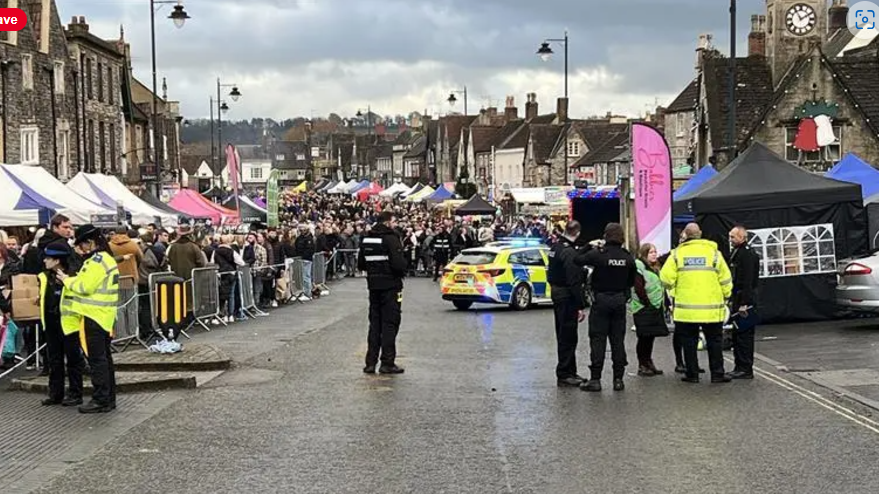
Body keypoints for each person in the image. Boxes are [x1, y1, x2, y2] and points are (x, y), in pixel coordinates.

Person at [660, 223, 733, 384]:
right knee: (714, 341)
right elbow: (726, 279)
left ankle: (692, 374)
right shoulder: (714, 254)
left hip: (686, 310)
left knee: (689, 342)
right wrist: (726, 297)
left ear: (685, 235)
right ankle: (717, 374)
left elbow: (665, 278)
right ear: (700, 234)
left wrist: (673, 291)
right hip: (712, 309)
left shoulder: (677, 254)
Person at [59, 225, 120, 413]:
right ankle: (108, 398)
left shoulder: (96, 261)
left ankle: (100, 399)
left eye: (83, 244)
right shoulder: (107, 259)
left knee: (96, 360)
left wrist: (66, 280)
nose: (82, 249)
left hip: (92, 315)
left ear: (90, 242)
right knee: (105, 359)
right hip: (105, 316)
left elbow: (84, 286)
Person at [579, 223, 636, 392]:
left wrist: (588, 246)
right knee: (618, 341)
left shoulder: (599, 255)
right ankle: (618, 380)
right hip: (619, 301)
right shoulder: (627, 257)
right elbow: (631, 281)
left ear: (605, 236)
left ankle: (595, 379)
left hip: (601, 300)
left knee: (598, 340)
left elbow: (577, 259)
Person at [358, 211, 407, 375]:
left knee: (374, 324)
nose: (396, 225)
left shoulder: (366, 239)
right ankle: (387, 362)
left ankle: (370, 363)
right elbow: (399, 265)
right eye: (394, 221)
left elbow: (361, 264)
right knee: (390, 324)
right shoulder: (391, 239)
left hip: (373, 286)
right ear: (387, 223)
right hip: (391, 286)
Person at [38, 241, 84, 407]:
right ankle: (55, 393)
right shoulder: (44, 277)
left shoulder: (73, 277)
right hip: (51, 323)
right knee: (54, 360)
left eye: (48, 258)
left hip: (69, 323)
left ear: (57, 260)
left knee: (73, 360)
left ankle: (75, 393)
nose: (44, 261)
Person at [546, 220, 589, 387]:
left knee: (563, 334)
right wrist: (580, 305)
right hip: (566, 297)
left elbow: (571, 255)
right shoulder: (568, 252)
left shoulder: (556, 247)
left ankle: (570, 371)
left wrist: (586, 248)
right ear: (577, 233)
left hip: (557, 293)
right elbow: (573, 280)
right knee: (568, 336)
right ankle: (565, 373)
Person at [631, 243, 669, 377]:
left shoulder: (655, 268)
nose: (654, 254)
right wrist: (647, 303)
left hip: (655, 306)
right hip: (643, 307)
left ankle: (649, 362)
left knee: (650, 337)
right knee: (643, 337)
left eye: (655, 252)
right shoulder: (639, 266)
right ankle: (642, 365)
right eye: (651, 252)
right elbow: (638, 287)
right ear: (644, 254)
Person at [728, 224, 760, 379]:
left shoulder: (747, 254)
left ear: (742, 237)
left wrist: (744, 303)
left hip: (745, 300)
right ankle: (739, 365)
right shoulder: (738, 252)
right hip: (738, 297)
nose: (730, 239)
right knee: (737, 334)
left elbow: (747, 280)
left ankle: (745, 368)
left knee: (744, 335)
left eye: (733, 237)